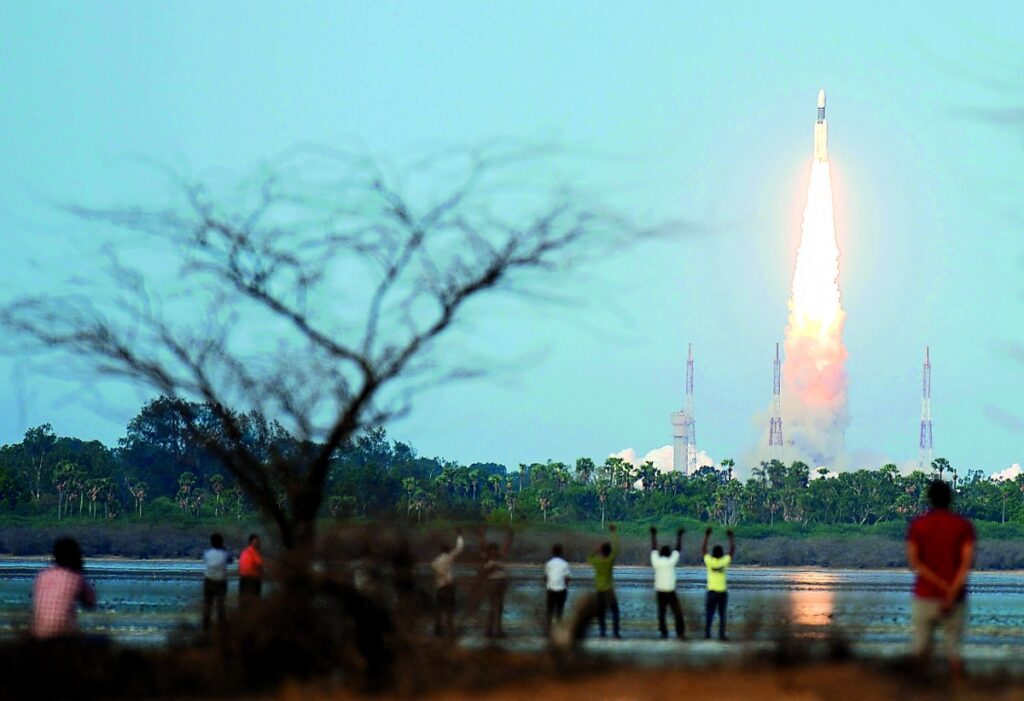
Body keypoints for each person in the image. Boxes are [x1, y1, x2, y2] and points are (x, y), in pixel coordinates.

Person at [906, 480, 975, 675]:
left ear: (930, 499)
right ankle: (961, 692)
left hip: (925, 596)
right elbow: (965, 564)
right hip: (955, 599)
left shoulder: (919, 525)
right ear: (950, 498)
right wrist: (951, 591)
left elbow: (915, 561)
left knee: (921, 651)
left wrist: (939, 585)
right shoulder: (963, 525)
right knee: (954, 653)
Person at [31, 538, 96, 639]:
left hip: (38, 634)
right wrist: (81, 571)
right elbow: (90, 603)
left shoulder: (43, 575)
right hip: (64, 634)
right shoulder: (76, 577)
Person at [650, 526, 685, 640]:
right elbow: (678, 549)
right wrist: (679, 536)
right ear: (669, 553)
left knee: (661, 613)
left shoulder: (656, 561)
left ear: (661, 553)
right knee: (677, 613)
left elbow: (653, 548)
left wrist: (653, 535)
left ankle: (663, 633)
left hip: (660, 591)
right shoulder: (671, 561)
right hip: (670, 591)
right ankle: (680, 632)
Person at [587, 523, 621, 638]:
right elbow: (616, 549)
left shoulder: (597, 562)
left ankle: (602, 632)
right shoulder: (609, 561)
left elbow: (589, 557)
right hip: (609, 589)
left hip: (599, 589)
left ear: (602, 552)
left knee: (601, 612)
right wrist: (614, 533)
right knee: (615, 611)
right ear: (609, 552)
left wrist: (597, 550)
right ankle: (615, 633)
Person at [479, 527, 514, 639]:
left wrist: (510, 536)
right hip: (495, 583)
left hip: (498, 583)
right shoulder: (489, 557)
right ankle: (492, 630)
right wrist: (482, 535)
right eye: (493, 550)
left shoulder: (496, 556)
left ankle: (495, 630)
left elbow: (506, 546)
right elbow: (484, 545)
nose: (494, 551)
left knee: (498, 607)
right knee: (494, 607)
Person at [702, 527, 735, 640]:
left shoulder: (709, 561)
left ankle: (707, 634)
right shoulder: (724, 561)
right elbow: (731, 550)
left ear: (713, 553)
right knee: (722, 615)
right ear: (722, 554)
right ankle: (721, 635)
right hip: (722, 592)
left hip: (711, 592)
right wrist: (730, 537)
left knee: (709, 614)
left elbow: (703, 550)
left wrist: (707, 535)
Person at [431, 527, 464, 638]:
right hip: (449, 587)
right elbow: (459, 548)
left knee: (439, 610)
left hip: (440, 587)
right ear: (448, 550)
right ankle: (450, 632)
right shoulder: (449, 557)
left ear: (440, 550)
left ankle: (438, 631)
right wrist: (459, 535)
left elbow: (434, 570)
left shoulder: (435, 562)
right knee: (449, 610)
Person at [202, 532, 232, 631]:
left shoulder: (207, 553)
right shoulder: (224, 554)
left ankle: (206, 627)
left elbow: (206, 561)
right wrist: (224, 548)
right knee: (220, 606)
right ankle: (221, 627)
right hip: (220, 582)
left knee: (208, 605)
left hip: (209, 581)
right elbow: (230, 560)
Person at [544, 544, 571, 634]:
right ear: (561, 552)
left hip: (550, 589)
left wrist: (548, 585)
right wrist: (565, 587)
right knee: (559, 610)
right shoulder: (565, 563)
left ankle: (548, 629)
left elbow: (546, 577)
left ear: (553, 552)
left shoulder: (549, 563)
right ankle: (558, 629)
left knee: (549, 610)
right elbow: (567, 578)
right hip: (561, 589)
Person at [238, 533, 264, 598]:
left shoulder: (244, 552)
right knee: (254, 600)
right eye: (256, 542)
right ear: (251, 543)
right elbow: (260, 564)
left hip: (244, 579)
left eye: (258, 542)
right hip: (252, 579)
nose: (257, 544)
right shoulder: (254, 552)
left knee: (244, 600)